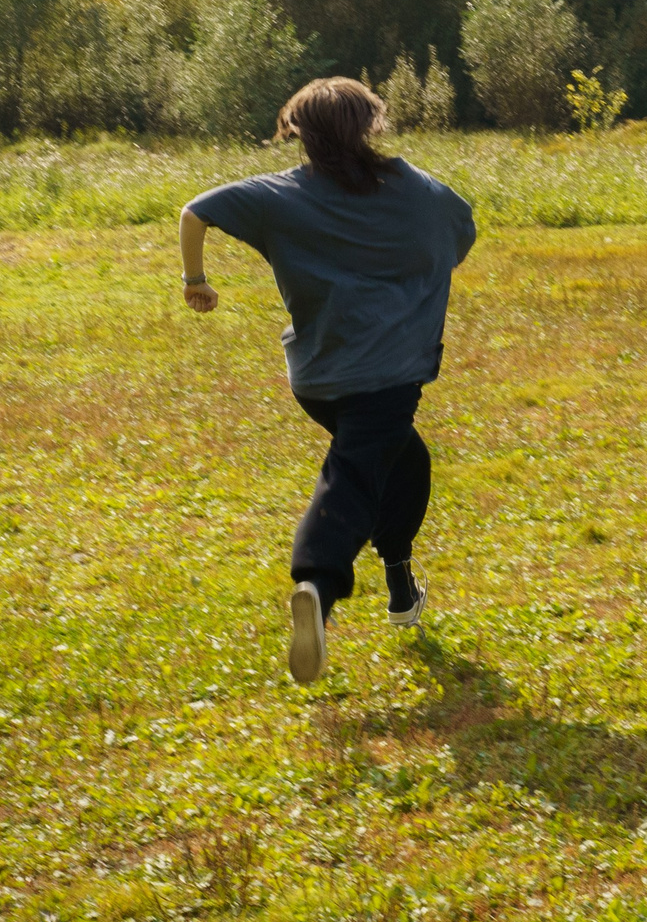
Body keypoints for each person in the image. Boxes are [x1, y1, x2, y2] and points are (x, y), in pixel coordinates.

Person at [178, 75, 477, 687]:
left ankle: (400, 587)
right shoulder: (415, 190)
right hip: (389, 373)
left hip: (317, 377)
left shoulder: (277, 195)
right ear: (371, 125)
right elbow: (459, 234)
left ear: (300, 132)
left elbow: (195, 211)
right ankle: (318, 582)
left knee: (406, 463)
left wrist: (195, 279)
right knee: (357, 476)